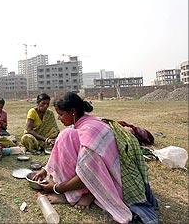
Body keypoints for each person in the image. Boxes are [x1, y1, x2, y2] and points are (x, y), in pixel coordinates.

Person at [33, 92, 158, 224]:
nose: (59, 118)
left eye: (61, 114)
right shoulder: (88, 121)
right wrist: (45, 170)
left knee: (66, 136)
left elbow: (88, 175)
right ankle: (84, 192)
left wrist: (57, 188)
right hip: (108, 174)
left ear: (73, 112)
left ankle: (77, 194)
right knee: (65, 135)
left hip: (111, 183)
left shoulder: (88, 134)